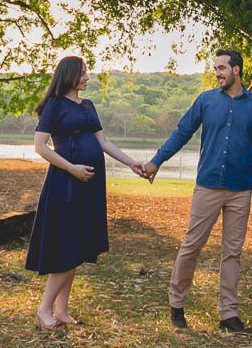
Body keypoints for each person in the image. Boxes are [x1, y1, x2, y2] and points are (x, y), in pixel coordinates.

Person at [141, 49, 252, 335]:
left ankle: (228, 314)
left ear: (236, 70)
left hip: (240, 190)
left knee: (232, 253)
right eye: (215, 68)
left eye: (222, 68)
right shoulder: (206, 100)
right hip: (208, 186)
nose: (217, 73)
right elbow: (181, 132)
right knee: (192, 245)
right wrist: (156, 161)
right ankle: (176, 304)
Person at [25, 55, 145, 329]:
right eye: (82, 73)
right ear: (69, 75)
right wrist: (71, 169)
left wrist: (131, 162)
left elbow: (103, 142)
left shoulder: (88, 106)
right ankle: (44, 311)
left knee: (78, 244)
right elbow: (40, 146)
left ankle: (62, 311)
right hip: (65, 182)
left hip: (90, 184)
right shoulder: (54, 105)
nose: (87, 77)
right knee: (68, 246)